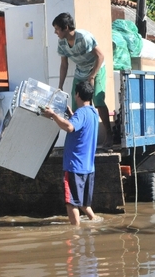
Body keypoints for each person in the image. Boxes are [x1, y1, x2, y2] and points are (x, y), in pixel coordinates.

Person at [41, 80, 99, 226]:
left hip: (75, 166)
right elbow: (80, 126)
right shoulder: (93, 112)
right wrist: (71, 114)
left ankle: (76, 232)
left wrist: (53, 115)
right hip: (88, 167)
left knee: (71, 202)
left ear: (77, 95)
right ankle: (95, 221)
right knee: (84, 203)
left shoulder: (81, 113)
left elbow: (69, 127)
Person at [52, 12, 113, 147]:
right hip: (80, 71)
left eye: (57, 28)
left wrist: (92, 76)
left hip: (96, 68)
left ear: (66, 27)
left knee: (97, 99)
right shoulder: (62, 42)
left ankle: (109, 134)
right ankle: (80, 139)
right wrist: (60, 85)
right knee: (77, 103)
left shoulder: (84, 37)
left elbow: (100, 56)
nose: (55, 32)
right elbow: (64, 64)